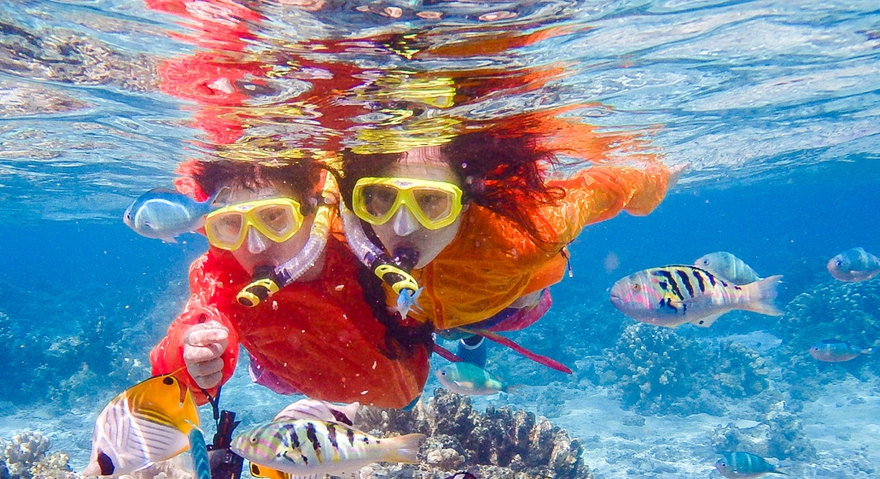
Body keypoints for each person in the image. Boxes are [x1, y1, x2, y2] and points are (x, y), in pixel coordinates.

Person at [338, 122, 670, 363]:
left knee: (528, 295)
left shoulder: (527, 231)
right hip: (415, 312)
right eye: (381, 197)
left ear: (466, 201)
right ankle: (459, 334)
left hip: (504, 311)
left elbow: (609, 187)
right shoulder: (350, 230)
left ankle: (471, 336)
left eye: (431, 201)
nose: (402, 225)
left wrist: (660, 179)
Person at [149, 158, 432, 409]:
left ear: (312, 210)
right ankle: (262, 371)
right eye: (231, 223)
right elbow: (181, 358)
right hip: (294, 379)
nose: (256, 245)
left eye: (274, 217)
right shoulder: (222, 279)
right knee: (274, 380)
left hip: (404, 369)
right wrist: (190, 361)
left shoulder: (364, 237)